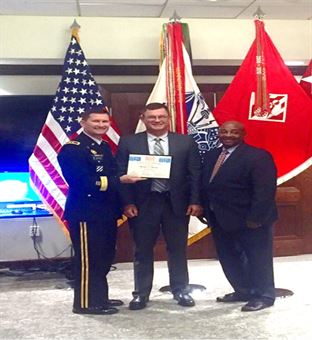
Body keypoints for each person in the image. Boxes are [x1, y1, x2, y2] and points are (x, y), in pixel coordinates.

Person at [116, 102, 203, 310]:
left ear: (168, 118)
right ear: (143, 119)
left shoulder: (185, 142)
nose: (156, 120)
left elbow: (195, 174)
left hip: (177, 204)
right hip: (144, 204)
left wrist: (195, 200)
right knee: (143, 250)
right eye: (152, 117)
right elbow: (121, 173)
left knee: (178, 249)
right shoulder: (129, 142)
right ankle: (141, 294)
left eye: (161, 117)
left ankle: (181, 289)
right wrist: (127, 202)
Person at [57, 107, 142, 315]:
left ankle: (99, 296)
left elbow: (111, 174)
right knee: (88, 260)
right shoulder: (73, 149)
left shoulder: (103, 146)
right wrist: (119, 180)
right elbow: (81, 182)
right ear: (83, 122)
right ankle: (85, 303)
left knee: (103, 258)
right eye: (96, 122)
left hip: (105, 212)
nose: (101, 125)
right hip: (86, 213)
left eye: (105, 122)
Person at [202, 120, 278, 312]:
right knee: (229, 257)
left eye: (234, 132)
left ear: (243, 134)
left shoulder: (258, 156)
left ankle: (264, 295)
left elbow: (265, 191)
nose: (228, 135)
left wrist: (256, 218)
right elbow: (208, 185)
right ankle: (243, 290)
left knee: (258, 258)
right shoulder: (212, 155)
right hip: (219, 218)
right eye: (224, 131)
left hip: (250, 220)